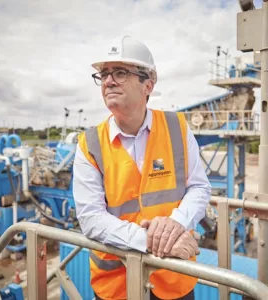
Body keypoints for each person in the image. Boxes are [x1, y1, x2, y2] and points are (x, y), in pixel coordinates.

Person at [73, 36, 211, 300]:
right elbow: (90, 218)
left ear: (148, 85)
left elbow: (199, 187)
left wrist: (176, 222)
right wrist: (151, 240)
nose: (108, 81)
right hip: (117, 286)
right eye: (103, 74)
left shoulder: (177, 129)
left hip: (174, 278)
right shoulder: (89, 144)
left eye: (121, 73)